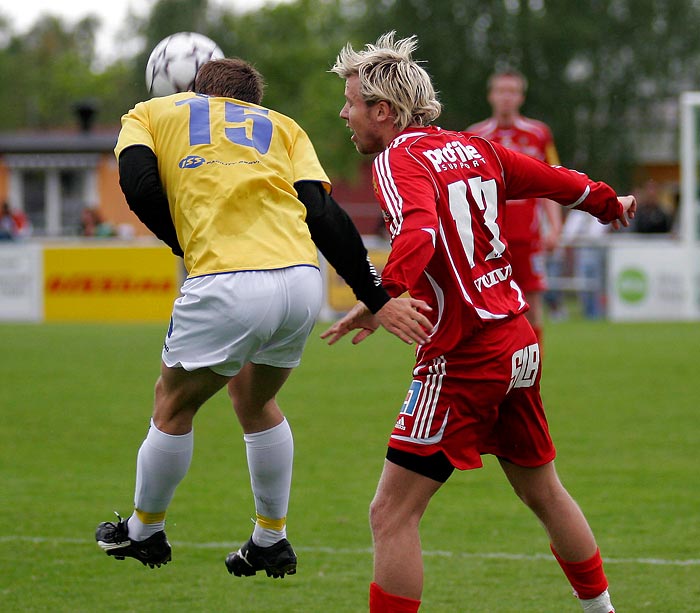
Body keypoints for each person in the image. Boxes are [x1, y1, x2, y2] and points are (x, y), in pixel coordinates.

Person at [323, 32, 636, 613]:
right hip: (517, 342)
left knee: (391, 514)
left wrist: (383, 295)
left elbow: (418, 232)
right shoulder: (474, 149)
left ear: (383, 111)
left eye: (352, 102)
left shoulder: (399, 158)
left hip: (465, 353)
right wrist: (606, 201)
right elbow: (554, 180)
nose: (345, 113)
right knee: (543, 490)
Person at [95, 57, 432, 577]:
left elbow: (138, 187)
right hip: (301, 279)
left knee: (172, 404)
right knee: (256, 400)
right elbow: (323, 214)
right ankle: (270, 538)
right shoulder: (282, 126)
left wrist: (186, 240)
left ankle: (144, 530)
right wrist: (377, 294)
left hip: (226, 279)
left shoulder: (149, 113)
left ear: (194, 89)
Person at [467, 69, 562, 347]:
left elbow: (554, 182)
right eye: (501, 91)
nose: (506, 98)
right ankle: (495, 367)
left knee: (533, 303)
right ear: (491, 96)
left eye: (512, 92)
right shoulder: (475, 135)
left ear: (521, 97)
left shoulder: (539, 134)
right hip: (490, 240)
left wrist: (555, 227)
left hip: (528, 238)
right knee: (488, 304)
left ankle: (533, 371)